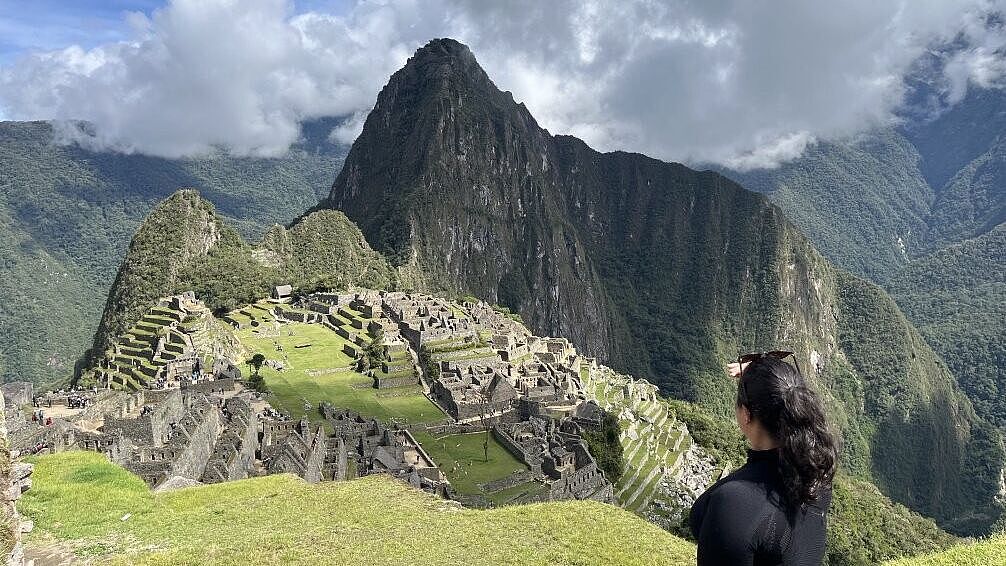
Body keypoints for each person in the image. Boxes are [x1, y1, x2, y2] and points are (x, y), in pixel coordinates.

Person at [689, 352, 838, 566]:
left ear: (746, 415)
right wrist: (759, 378)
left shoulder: (735, 502)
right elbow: (788, 392)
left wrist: (756, 380)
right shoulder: (817, 475)